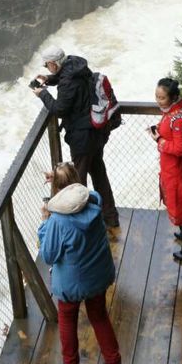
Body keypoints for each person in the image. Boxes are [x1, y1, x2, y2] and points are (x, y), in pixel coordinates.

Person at [38, 162, 128, 364]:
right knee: (99, 316)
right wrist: (62, 180)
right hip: (98, 277)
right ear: (76, 182)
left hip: (71, 286)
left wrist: (45, 222)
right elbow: (80, 192)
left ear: (57, 190)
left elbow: (48, 255)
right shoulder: (95, 201)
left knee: (67, 321)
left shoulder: (57, 221)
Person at [32, 46, 119, 228]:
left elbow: (59, 109)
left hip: (82, 136)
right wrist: (49, 79)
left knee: (77, 183)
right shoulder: (76, 65)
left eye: (47, 65)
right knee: (99, 174)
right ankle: (111, 217)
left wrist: (43, 94)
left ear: (54, 63)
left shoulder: (67, 82)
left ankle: (84, 226)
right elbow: (66, 77)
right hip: (96, 131)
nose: (47, 68)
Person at [148, 76, 182, 261]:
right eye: (156, 96)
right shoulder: (177, 109)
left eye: (162, 97)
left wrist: (159, 140)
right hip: (175, 169)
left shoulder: (177, 120)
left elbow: (180, 149)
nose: (158, 101)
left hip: (177, 172)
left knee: (181, 207)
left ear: (172, 97)